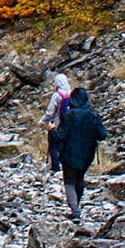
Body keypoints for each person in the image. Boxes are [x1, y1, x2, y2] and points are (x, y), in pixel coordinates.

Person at [52, 87, 107, 221]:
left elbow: (61, 136)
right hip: (87, 154)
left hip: (69, 153)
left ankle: (75, 210)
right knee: (79, 179)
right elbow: (102, 135)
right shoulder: (93, 115)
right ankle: (76, 205)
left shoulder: (70, 115)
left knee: (69, 181)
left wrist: (52, 130)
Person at [42, 73, 71, 173]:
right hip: (69, 124)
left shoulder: (57, 95)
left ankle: (55, 166)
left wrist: (43, 121)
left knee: (53, 145)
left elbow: (50, 112)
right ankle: (66, 165)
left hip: (57, 123)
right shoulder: (71, 93)